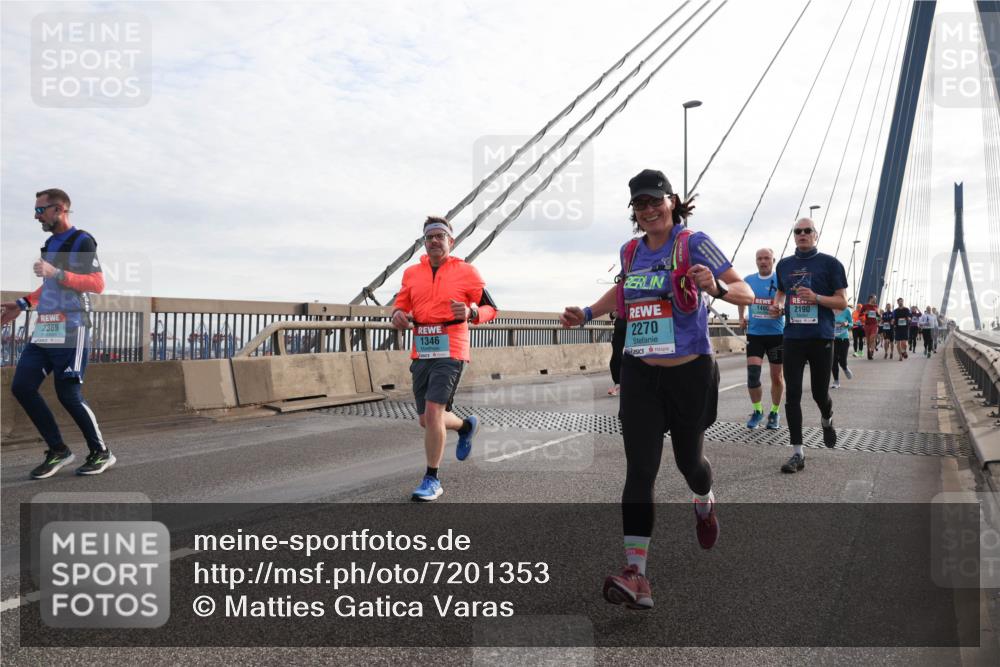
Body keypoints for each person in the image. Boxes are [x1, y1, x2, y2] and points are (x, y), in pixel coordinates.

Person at [561, 169, 751, 610]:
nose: (648, 211)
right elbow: (622, 291)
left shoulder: (694, 242)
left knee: (690, 464)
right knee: (640, 471)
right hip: (641, 372)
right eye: (640, 205)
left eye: (655, 202)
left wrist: (716, 287)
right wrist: (587, 313)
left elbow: (742, 289)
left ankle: (704, 500)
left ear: (672, 201)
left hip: (689, 373)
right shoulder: (630, 251)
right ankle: (636, 575)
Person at [1, 188, 115, 478]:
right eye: (36, 210)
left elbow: (97, 283)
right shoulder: (50, 242)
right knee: (22, 387)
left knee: (68, 394)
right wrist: (22, 304)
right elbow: (49, 288)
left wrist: (57, 273)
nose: (36, 215)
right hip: (45, 329)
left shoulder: (81, 240)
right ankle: (58, 450)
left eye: (41, 210)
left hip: (71, 328)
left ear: (59, 209)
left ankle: (101, 452)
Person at [390, 216, 497, 501]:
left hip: (452, 347)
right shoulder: (411, 273)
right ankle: (465, 426)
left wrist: (473, 313)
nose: (434, 241)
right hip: (422, 347)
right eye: (429, 237)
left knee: (435, 412)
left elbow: (491, 308)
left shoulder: (467, 272)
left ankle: (432, 479)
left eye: (440, 236)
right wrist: (397, 315)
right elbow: (400, 306)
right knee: (426, 420)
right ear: (424, 243)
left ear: (451, 241)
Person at [769, 218, 848, 473]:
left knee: (818, 394)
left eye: (807, 231)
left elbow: (842, 302)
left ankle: (827, 419)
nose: (802, 234)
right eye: (797, 231)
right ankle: (797, 452)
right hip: (792, 337)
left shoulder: (831, 263)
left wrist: (815, 298)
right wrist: (777, 305)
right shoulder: (784, 265)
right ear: (794, 236)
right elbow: (781, 292)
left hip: (821, 337)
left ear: (816, 234)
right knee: (792, 395)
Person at [737, 247, 784, 430]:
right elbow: (742, 299)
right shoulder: (748, 280)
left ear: (773, 260)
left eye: (766, 258)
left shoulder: (780, 280)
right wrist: (741, 317)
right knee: (753, 376)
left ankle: (774, 412)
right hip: (755, 335)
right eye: (759, 258)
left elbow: (784, 301)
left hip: (776, 336)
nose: (763, 261)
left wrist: (780, 309)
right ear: (756, 261)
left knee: (777, 377)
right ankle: (757, 411)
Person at [831, 305, 854, 388]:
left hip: (844, 339)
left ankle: (845, 367)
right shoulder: (829, 308)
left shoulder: (846, 310)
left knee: (842, 360)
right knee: (833, 360)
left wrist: (846, 324)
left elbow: (851, 324)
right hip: (832, 339)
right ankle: (836, 381)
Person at [608, 312, 626, 396]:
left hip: (633, 325)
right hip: (619, 329)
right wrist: (613, 314)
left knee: (635, 357)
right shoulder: (617, 298)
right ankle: (617, 383)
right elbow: (611, 314)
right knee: (615, 358)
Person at [858, 295, 880, 360]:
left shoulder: (876, 306)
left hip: (874, 324)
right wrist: (865, 313)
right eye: (874, 298)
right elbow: (860, 315)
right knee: (868, 341)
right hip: (867, 325)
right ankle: (869, 351)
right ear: (870, 299)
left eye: (875, 299)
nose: (875, 300)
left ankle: (872, 351)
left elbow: (878, 316)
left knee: (872, 338)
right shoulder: (865, 306)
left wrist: (878, 313)